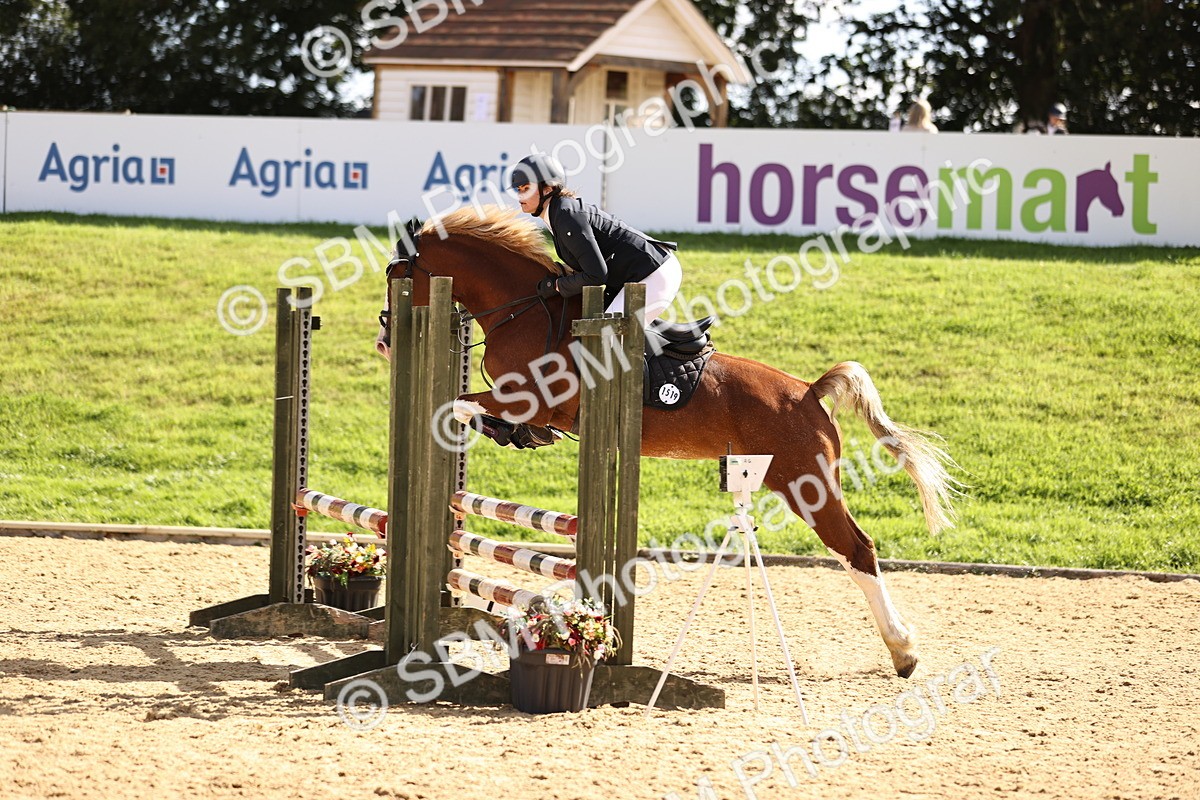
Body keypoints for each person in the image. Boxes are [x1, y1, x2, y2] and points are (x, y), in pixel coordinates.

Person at [509, 153, 682, 323]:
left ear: (548, 189)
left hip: (654, 274)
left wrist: (556, 286)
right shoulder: (557, 213)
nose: (520, 196)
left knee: (607, 336)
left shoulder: (565, 215)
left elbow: (596, 275)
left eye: (526, 189)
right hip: (638, 274)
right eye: (519, 190)